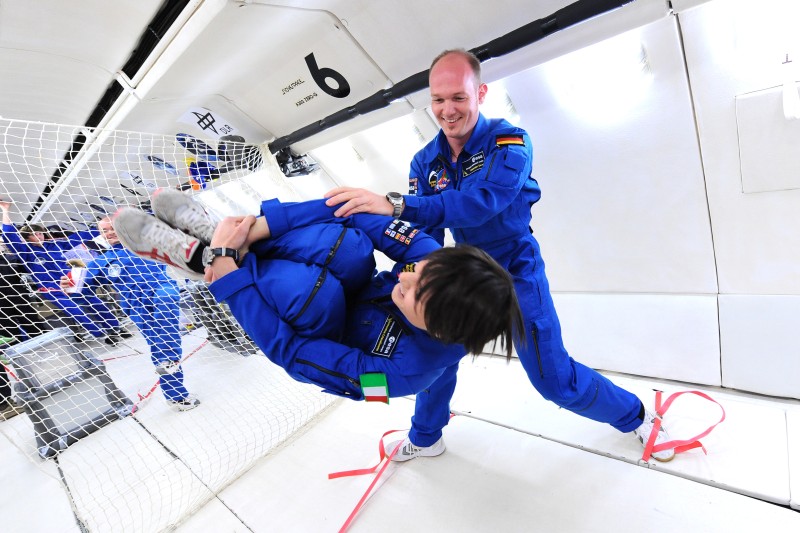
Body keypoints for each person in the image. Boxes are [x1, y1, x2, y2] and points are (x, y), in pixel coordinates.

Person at [324, 49, 675, 462]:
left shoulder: (510, 142)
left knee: (553, 381)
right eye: (438, 99)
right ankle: (426, 437)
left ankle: (637, 417)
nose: (447, 110)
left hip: (515, 270)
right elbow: (426, 234)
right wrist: (405, 282)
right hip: (463, 271)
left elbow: (480, 202)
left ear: (481, 93)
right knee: (435, 353)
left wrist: (396, 205)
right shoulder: (424, 162)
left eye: (458, 97)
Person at [109, 188, 523, 405]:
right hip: (343, 278)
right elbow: (353, 212)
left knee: (309, 294)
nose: (405, 277)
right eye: (417, 271)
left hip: (311, 323)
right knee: (349, 244)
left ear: (434, 327)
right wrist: (257, 228)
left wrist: (227, 276)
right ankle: (224, 233)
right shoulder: (435, 266)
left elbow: (290, 353)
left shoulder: (402, 378)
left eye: (413, 294)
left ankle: (202, 258)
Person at [58, 217, 199, 411]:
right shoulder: (100, 262)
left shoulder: (147, 244)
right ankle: (177, 397)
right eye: (104, 230)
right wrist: (70, 289)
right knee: (157, 347)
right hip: (136, 305)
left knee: (166, 300)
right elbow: (83, 293)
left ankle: (169, 359)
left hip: (161, 288)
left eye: (113, 228)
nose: (109, 232)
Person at [0, 199, 124, 344]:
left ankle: (115, 329)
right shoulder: (25, 252)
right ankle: (101, 334)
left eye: (41, 233)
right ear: (28, 238)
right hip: (52, 289)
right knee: (77, 312)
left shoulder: (55, 244)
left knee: (98, 304)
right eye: (35, 234)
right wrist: (5, 210)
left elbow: (79, 237)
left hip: (72, 281)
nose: (39, 236)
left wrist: (106, 229)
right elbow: (9, 235)